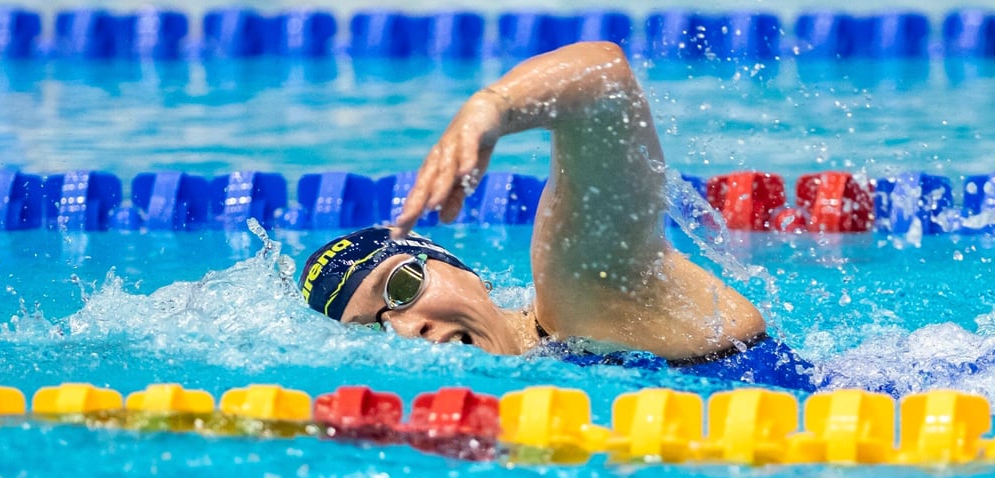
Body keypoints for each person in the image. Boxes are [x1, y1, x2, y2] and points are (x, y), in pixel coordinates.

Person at [299, 41, 815, 391]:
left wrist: (491, 107)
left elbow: (606, 78)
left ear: (455, 266)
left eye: (403, 287)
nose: (407, 331)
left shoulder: (582, 298)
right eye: (374, 330)